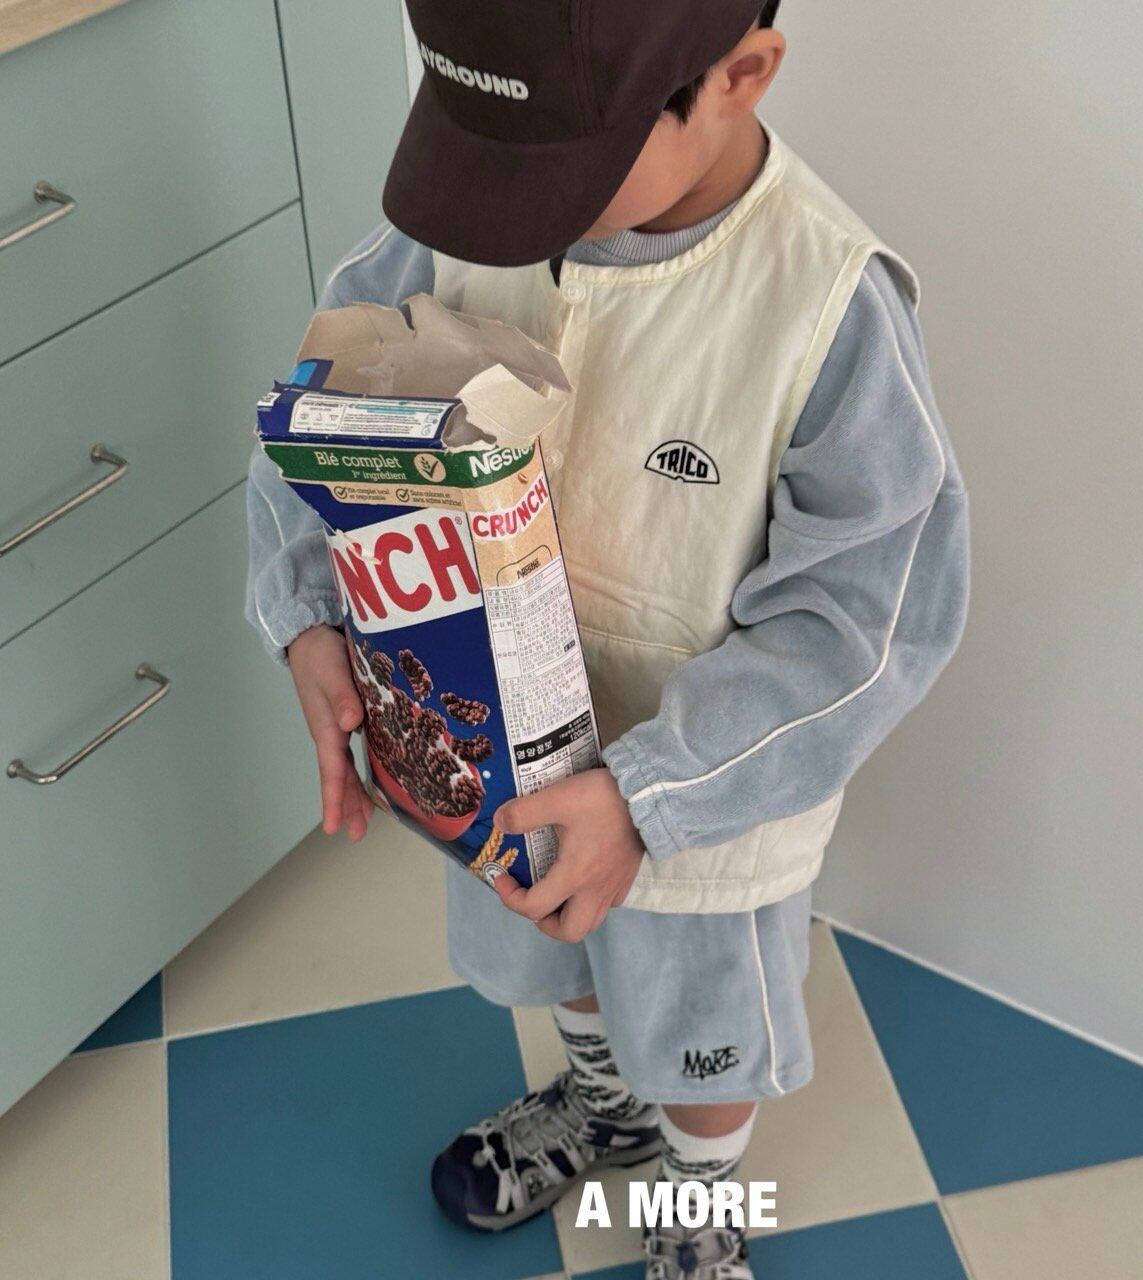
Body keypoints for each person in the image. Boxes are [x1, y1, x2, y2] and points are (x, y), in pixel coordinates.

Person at [245, 2, 969, 1275]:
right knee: (557, 949)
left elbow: (859, 619)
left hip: (705, 801)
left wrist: (649, 794)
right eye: (481, 154)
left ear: (738, 75)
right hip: (499, 758)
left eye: (556, 167)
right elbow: (326, 412)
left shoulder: (823, 305)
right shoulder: (444, 233)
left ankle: (698, 1194)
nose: (506, 210)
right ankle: (602, 1099)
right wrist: (305, 612)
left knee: (699, 1032)